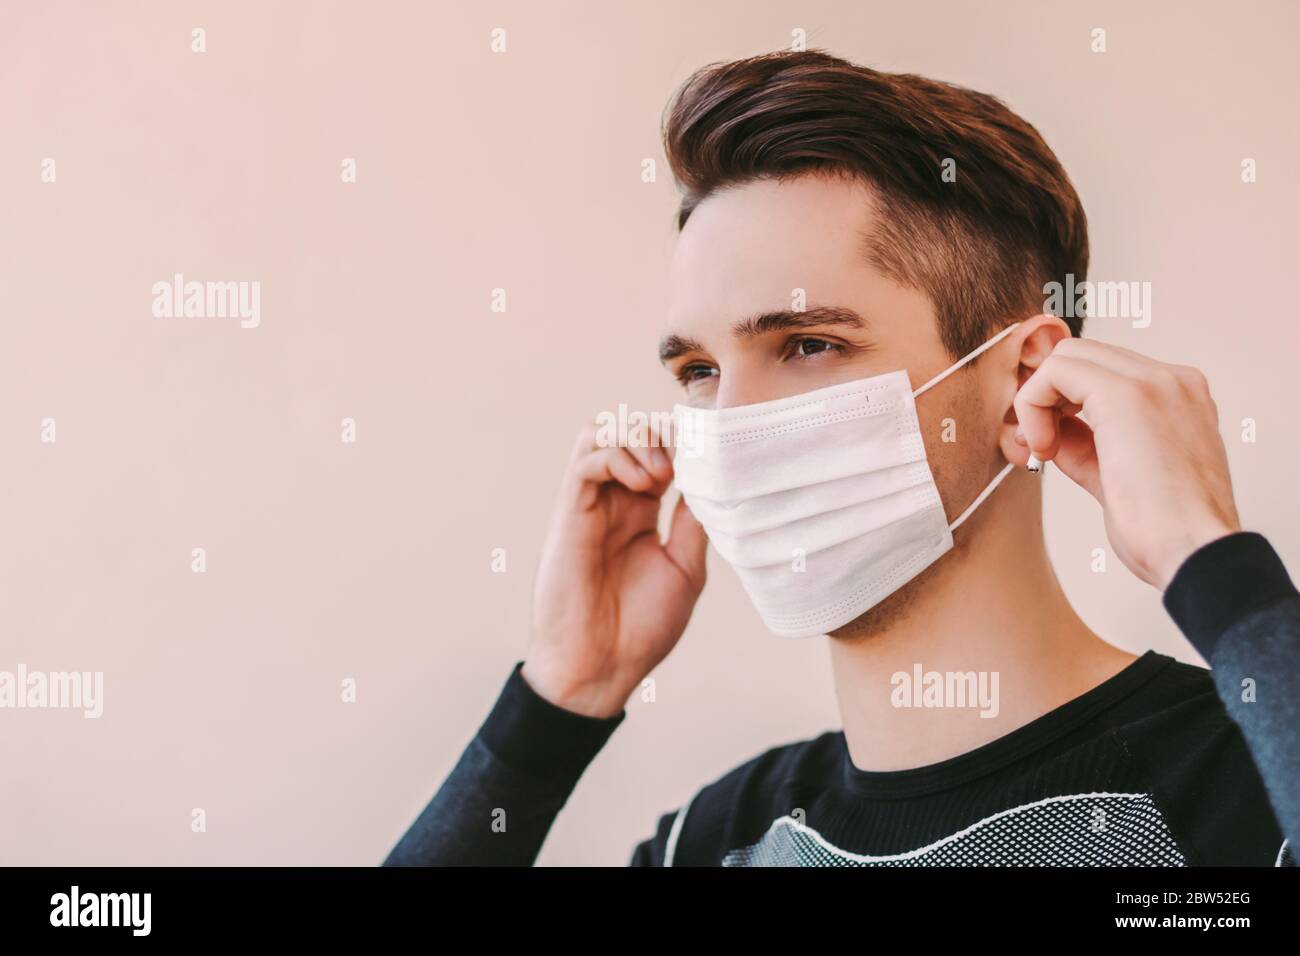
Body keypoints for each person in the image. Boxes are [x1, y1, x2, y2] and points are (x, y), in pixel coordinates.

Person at [384, 50, 1299, 866]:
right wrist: (562, 694)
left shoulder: (1240, 785)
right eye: (699, 370)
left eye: (807, 344)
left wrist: (1207, 562)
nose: (731, 427)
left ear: (1023, 386)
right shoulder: (716, 838)